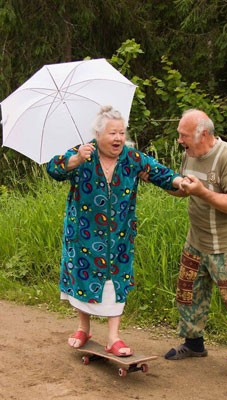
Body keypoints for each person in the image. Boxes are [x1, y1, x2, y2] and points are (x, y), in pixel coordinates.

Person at [46, 105, 184, 356]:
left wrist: (180, 182)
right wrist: (75, 160)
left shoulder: (132, 158)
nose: (118, 138)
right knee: (83, 277)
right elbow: (53, 169)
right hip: (83, 233)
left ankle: (113, 337)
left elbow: (161, 173)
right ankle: (83, 328)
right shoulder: (82, 153)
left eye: (121, 133)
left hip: (119, 234)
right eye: (112, 133)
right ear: (98, 134)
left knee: (115, 280)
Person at [163, 109, 227, 388]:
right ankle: (193, 344)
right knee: (188, 294)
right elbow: (184, 188)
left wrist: (202, 191)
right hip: (196, 241)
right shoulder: (190, 153)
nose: (179, 139)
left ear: (203, 133)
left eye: (183, 134)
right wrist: (163, 182)